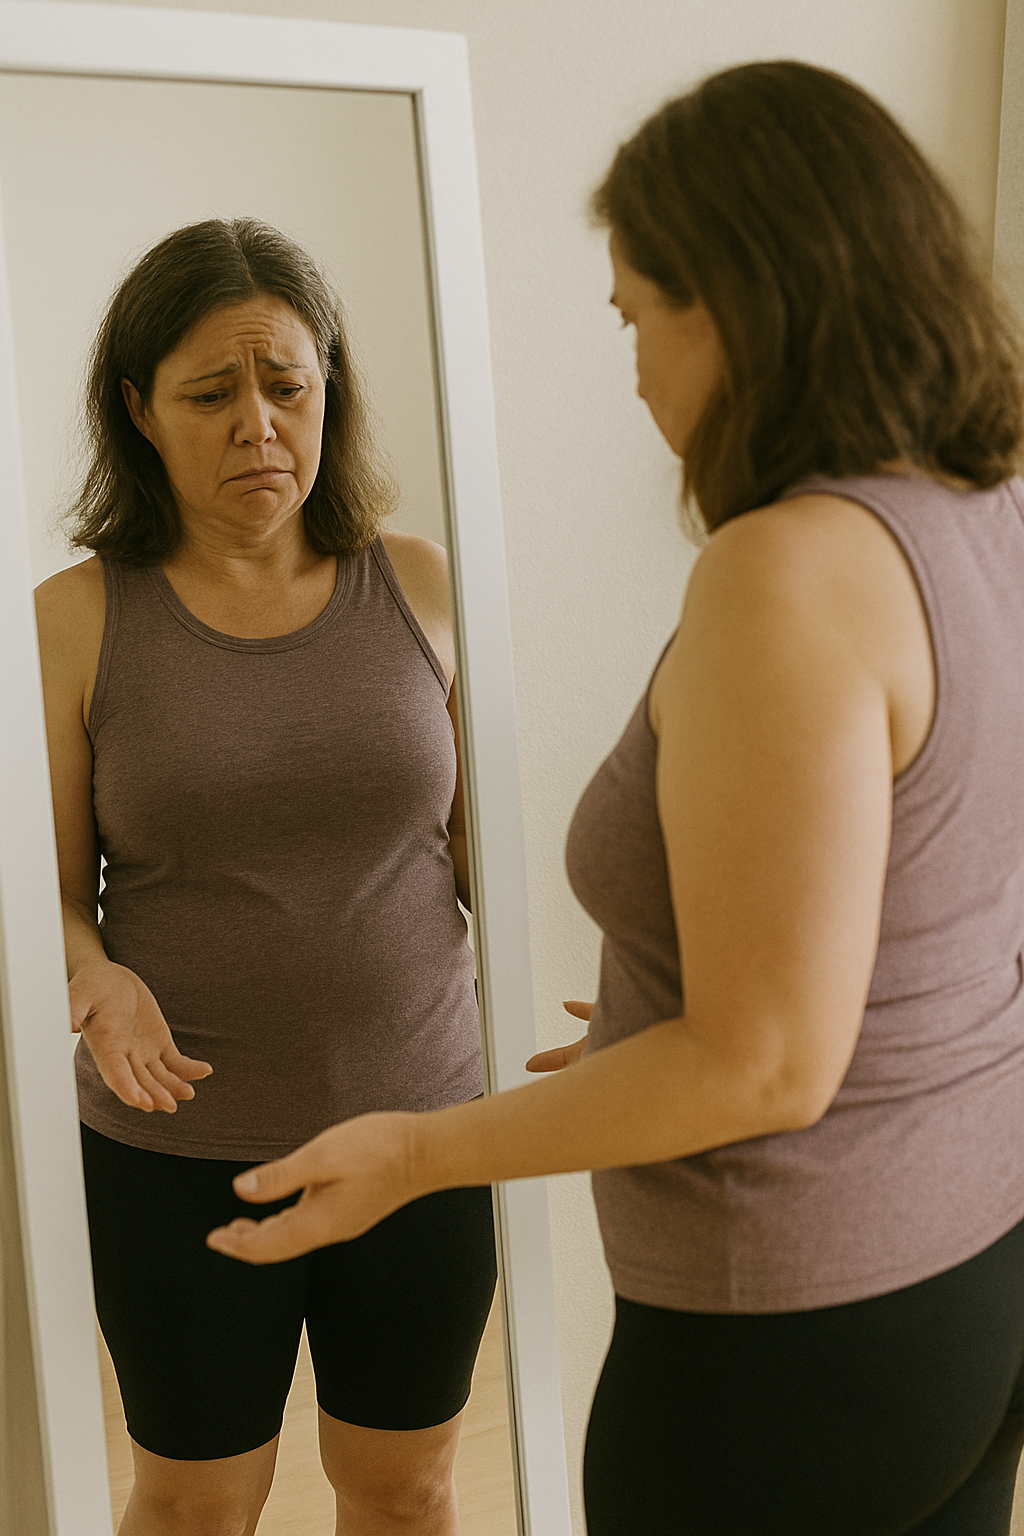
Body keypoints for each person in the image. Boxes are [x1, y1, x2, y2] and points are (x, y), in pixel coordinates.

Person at [206, 62, 1024, 1536]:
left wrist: (416, 1152)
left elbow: (766, 1070)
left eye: (639, 314)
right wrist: (672, 1014)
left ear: (743, 303)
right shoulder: (989, 508)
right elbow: (938, 893)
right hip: (971, 1278)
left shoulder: (787, 572)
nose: (636, 368)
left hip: (791, 1334)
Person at [34, 217, 496, 1536]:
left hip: (421, 1135)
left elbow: (484, 861)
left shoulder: (424, 587)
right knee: (196, 1505)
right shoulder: (72, 621)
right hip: (178, 1155)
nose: (258, 426)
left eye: (287, 385)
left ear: (328, 389)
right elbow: (49, 897)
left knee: (406, 1489)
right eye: (209, 395)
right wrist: (96, 977)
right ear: (138, 409)